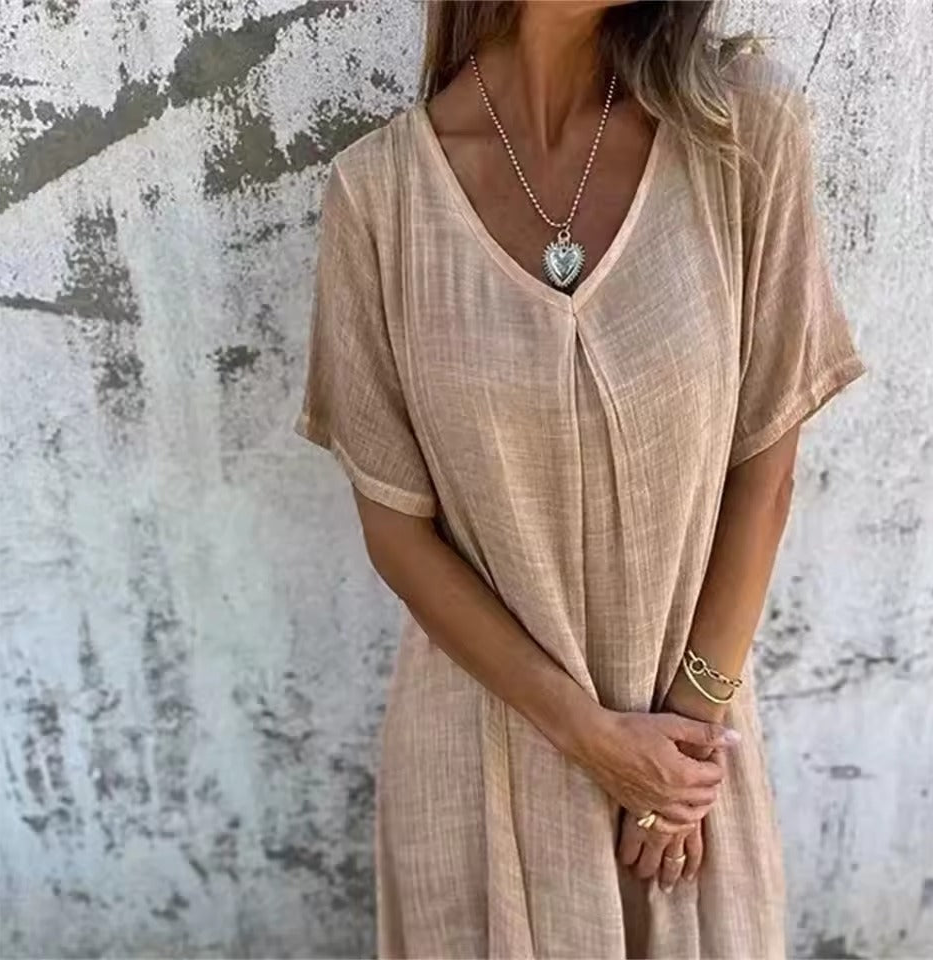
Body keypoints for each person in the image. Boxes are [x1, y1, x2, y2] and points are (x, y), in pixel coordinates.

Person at [293, 1, 867, 956]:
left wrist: (682, 747)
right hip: (481, 754)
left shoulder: (739, 133)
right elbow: (396, 530)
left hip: (683, 773)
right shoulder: (379, 196)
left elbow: (764, 475)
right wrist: (589, 736)